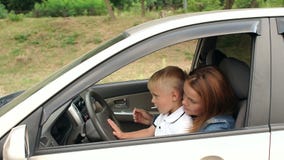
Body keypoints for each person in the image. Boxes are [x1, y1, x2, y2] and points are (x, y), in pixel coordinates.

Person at [107, 66, 193, 139]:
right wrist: (123, 135)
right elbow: (149, 131)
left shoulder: (183, 126)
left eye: (156, 96)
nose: (152, 100)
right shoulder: (165, 114)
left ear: (174, 96)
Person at [182, 66, 237, 132]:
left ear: (211, 104)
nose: (183, 102)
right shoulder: (200, 114)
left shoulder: (215, 130)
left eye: (192, 101)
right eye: (184, 93)